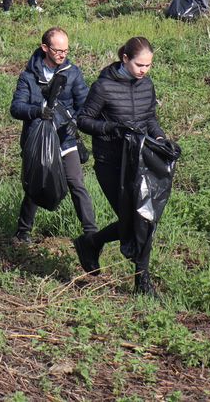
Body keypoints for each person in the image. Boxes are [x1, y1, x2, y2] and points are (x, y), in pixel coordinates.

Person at [76, 37, 169, 297]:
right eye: (140, 65)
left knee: (143, 219)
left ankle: (92, 243)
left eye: (149, 66)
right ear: (125, 59)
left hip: (140, 161)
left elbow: (150, 118)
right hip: (110, 164)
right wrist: (112, 128)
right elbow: (83, 120)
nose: (144, 71)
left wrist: (161, 138)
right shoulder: (103, 87)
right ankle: (142, 282)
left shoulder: (146, 85)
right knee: (135, 221)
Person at [10, 27, 96, 245]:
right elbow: (16, 108)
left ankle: (91, 234)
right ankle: (23, 232)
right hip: (38, 141)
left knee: (76, 183)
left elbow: (85, 104)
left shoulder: (72, 72)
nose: (62, 55)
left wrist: (74, 122)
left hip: (65, 139)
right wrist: (37, 111)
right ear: (45, 48)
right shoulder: (28, 77)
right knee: (36, 185)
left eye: (66, 50)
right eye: (58, 50)